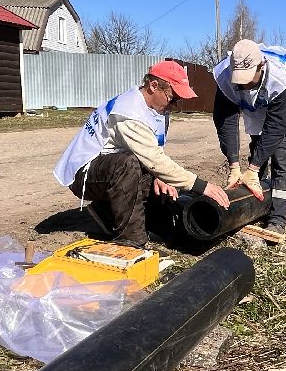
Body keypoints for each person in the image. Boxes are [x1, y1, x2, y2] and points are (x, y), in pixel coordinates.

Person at [53, 60, 229, 248]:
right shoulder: (129, 112)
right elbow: (153, 160)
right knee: (127, 165)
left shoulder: (156, 110)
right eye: (173, 98)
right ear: (154, 86)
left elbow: (153, 153)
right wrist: (202, 186)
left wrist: (159, 175)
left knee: (158, 180)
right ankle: (131, 239)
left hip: (105, 166)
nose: (175, 105)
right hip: (83, 175)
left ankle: (106, 212)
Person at [212, 39, 286, 235]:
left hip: (280, 97)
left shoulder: (281, 79)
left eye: (247, 78)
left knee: (280, 155)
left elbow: (276, 127)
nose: (243, 84)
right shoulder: (225, 76)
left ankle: (278, 218)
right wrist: (234, 166)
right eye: (240, 80)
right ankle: (252, 206)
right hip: (254, 100)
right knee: (256, 146)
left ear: (261, 66)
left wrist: (252, 169)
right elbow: (225, 122)